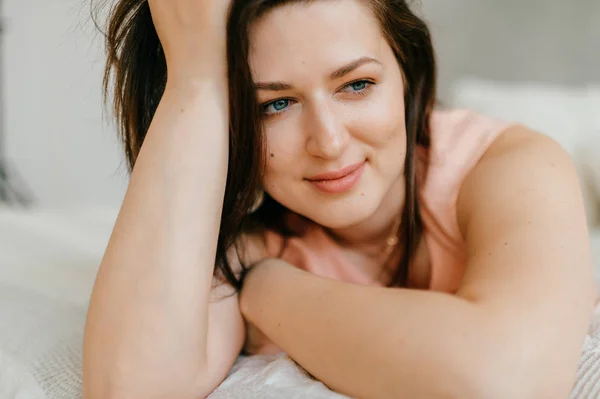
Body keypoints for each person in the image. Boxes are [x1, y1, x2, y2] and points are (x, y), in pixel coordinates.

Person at [82, 0, 596, 398]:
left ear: (405, 75)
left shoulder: (511, 164)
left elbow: (506, 381)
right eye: (275, 104)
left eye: (356, 84)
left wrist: (264, 289)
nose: (328, 142)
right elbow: (130, 387)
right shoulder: (250, 236)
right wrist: (194, 80)